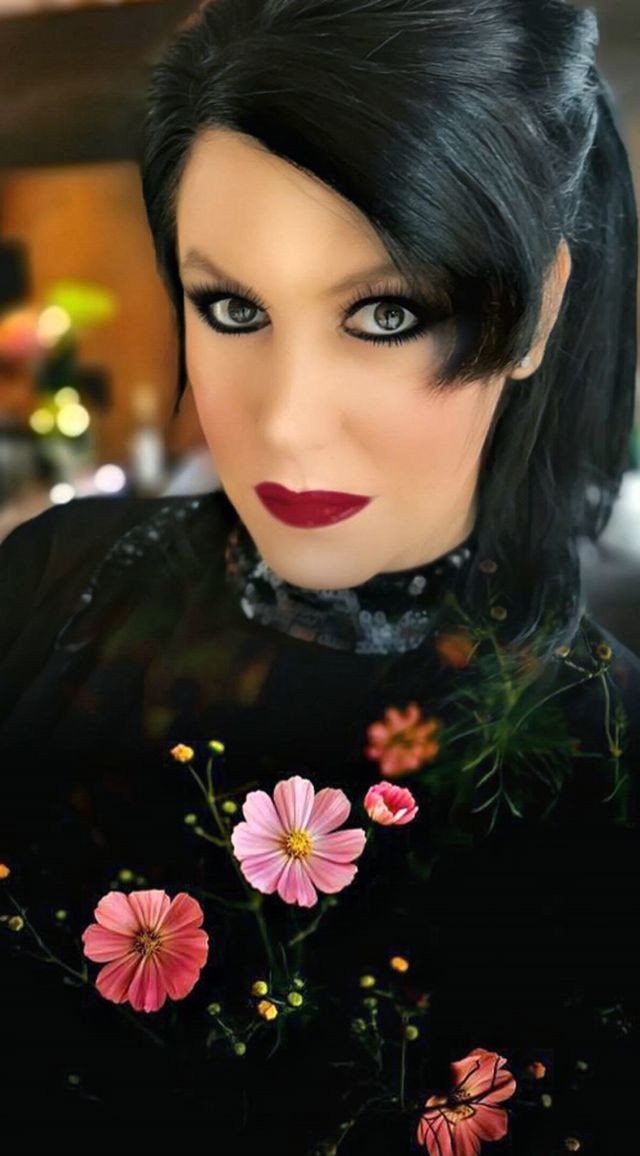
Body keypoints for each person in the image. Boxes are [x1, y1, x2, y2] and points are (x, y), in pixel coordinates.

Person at [1, 1, 639, 1151]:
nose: (286, 422)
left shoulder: (609, 758)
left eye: (385, 313)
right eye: (232, 307)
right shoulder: (53, 585)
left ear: (538, 308)